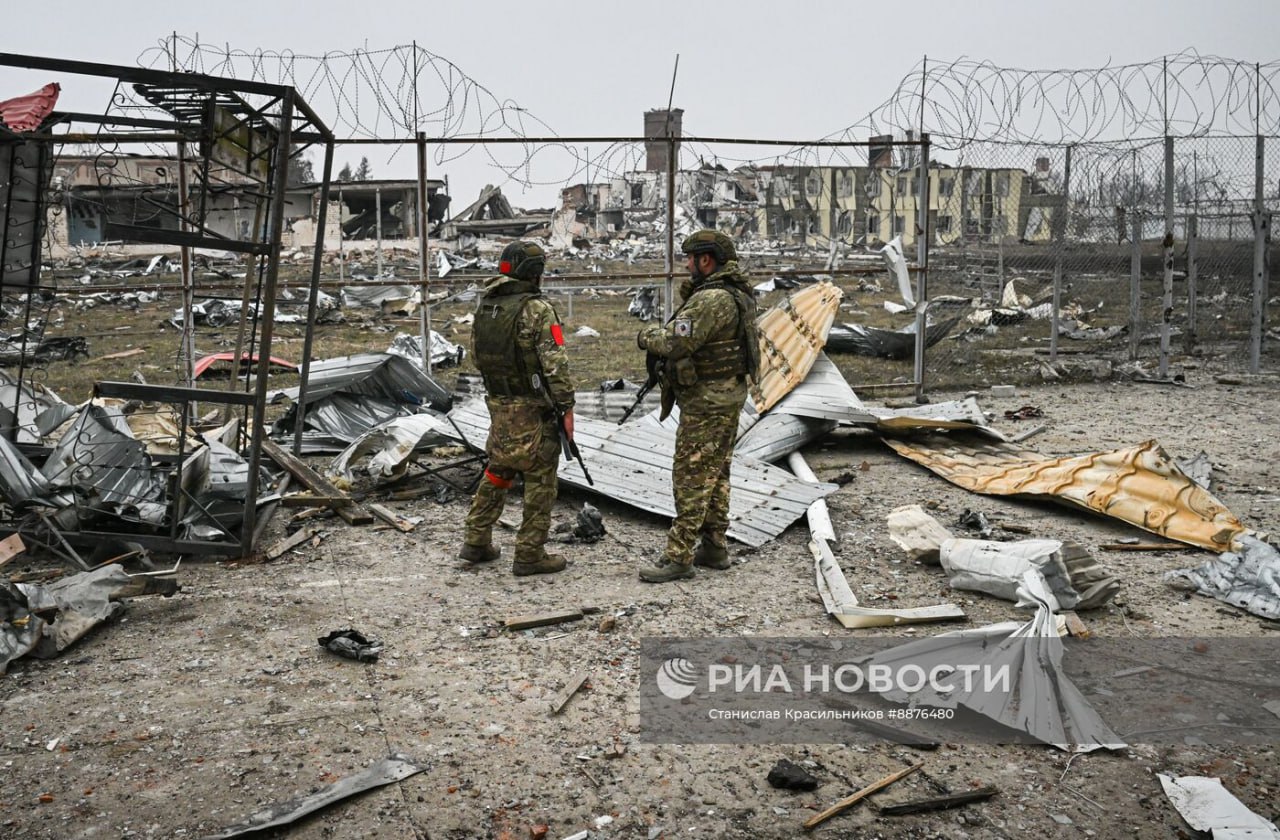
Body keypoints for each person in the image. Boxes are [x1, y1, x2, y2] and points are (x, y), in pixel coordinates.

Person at [635, 229, 759, 583]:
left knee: (690, 477)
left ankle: (679, 556)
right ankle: (714, 546)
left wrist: (645, 337)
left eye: (691, 258)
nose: (687, 264)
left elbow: (676, 342)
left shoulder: (713, 299)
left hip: (708, 402)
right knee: (716, 474)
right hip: (726, 396)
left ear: (707, 260)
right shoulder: (734, 293)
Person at [458, 241, 575, 576]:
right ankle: (529, 554)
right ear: (535, 273)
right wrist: (566, 407)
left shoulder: (487, 306)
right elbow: (556, 366)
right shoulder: (538, 310)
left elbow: (476, 358)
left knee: (499, 469)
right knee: (540, 479)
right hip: (533, 408)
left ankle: (476, 539)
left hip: (499, 404)